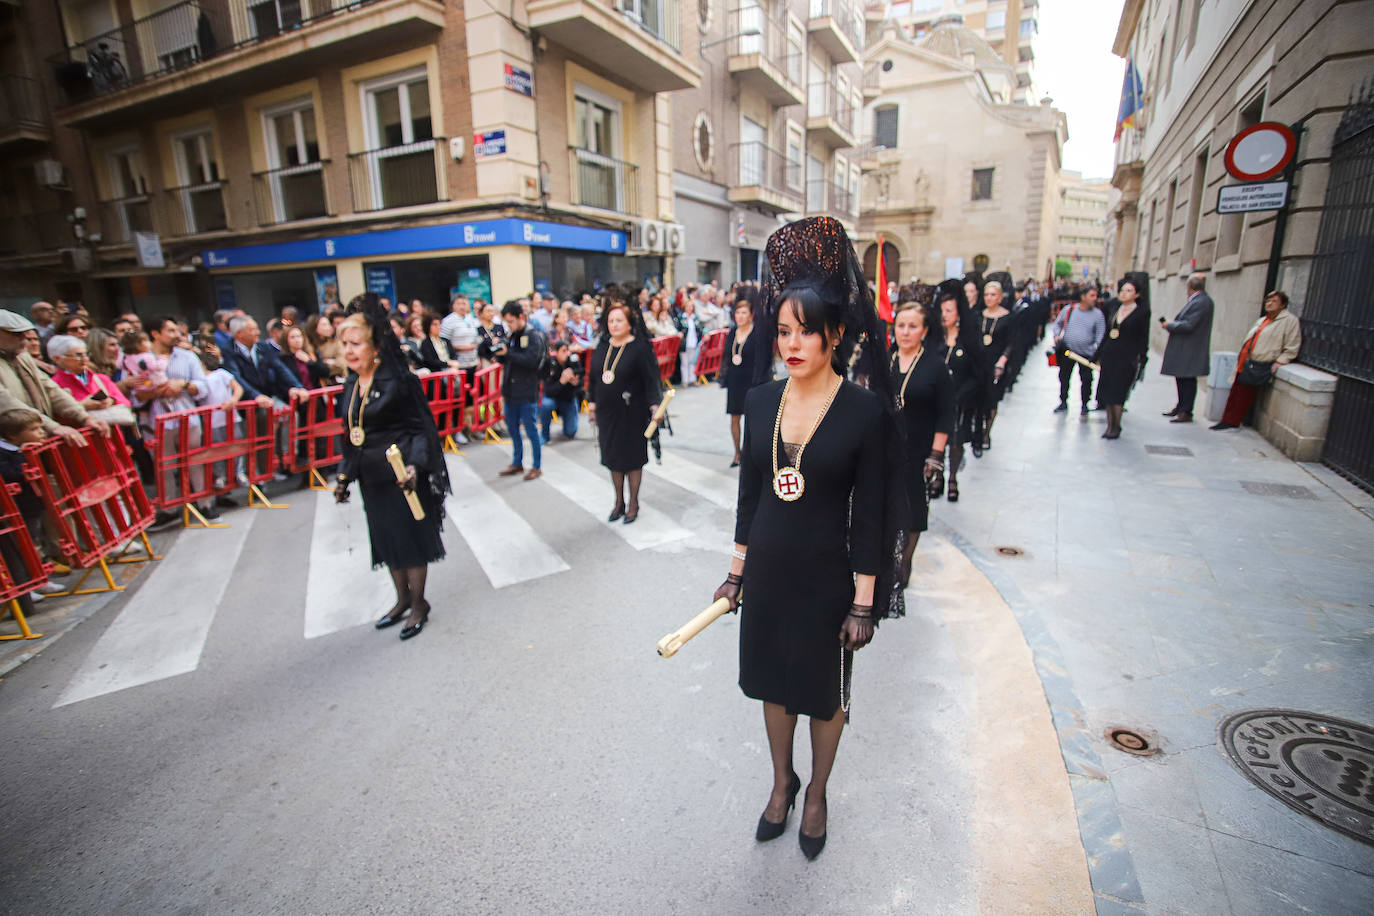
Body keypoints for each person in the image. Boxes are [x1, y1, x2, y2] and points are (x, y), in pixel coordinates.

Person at [711, 216, 906, 861]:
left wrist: (863, 601)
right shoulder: (764, 401)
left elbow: (874, 513)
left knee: (823, 694)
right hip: (768, 571)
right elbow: (749, 498)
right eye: (784, 331)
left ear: (836, 335)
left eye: (805, 333)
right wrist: (737, 573)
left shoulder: (863, 411)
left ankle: (817, 792)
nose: (791, 344)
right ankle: (781, 782)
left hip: (829, 579)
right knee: (773, 685)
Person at [333, 295, 450, 641]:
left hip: (403, 476)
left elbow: (420, 430)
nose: (350, 351)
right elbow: (352, 435)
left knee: (410, 541)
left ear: (375, 347)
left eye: (356, 344)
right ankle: (400, 600)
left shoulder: (400, 380)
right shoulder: (353, 383)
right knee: (385, 540)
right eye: (345, 345)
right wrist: (344, 476)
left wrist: (414, 466)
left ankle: (418, 604)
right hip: (372, 479)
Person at [890, 301, 953, 584]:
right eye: (900, 325)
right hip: (885, 448)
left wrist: (936, 454)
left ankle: (905, 560)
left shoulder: (936, 367)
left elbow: (945, 414)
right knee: (884, 505)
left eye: (912, 326)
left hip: (918, 450)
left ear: (924, 330)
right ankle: (885, 558)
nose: (905, 332)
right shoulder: (886, 361)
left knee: (913, 508)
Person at [587, 299, 660, 523]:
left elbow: (651, 379)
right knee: (613, 459)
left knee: (632, 459)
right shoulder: (602, 345)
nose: (614, 324)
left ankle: (634, 502)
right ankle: (618, 501)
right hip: (607, 414)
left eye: (619, 320)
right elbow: (593, 377)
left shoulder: (639, 347)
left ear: (629, 323)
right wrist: (591, 404)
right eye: (610, 320)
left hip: (633, 413)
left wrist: (655, 406)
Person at [0, 311, 108, 445]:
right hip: (11, 445)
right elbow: (7, 403)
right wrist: (53, 426)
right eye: (16, 334)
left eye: (25, 333)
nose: (24, 338)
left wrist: (85, 417)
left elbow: (50, 388)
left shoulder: (22, 356)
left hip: (38, 437)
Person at [1211, 290, 1301, 431]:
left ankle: (1232, 421)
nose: (1269, 303)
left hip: (1260, 363)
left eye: (1274, 301)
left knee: (1244, 394)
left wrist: (1280, 361)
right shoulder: (1263, 319)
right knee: (1235, 392)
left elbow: (1292, 346)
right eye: (1268, 301)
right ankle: (1227, 419)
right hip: (1245, 361)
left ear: (1283, 305)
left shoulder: (1289, 321)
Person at [493, 301, 546, 481]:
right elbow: (508, 359)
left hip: (526, 391)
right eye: (507, 322)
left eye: (511, 321)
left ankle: (536, 466)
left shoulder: (533, 336)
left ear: (521, 317)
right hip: (510, 391)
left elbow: (531, 361)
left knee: (531, 430)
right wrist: (498, 354)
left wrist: (508, 354)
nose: (509, 325)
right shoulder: (512, 335)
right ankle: (517, 462)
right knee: (513, 430)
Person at [1095, 273, 1151, 439]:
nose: (1124, 293)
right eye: (1122, 290)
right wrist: (1098, 354)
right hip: (1110, 355)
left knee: (1118, 392)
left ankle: (1116, 426)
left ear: (1137, 294)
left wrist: (1142, 357)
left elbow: (1143, 337)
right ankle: (1109, 425)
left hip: (1126, 357)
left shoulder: (1142, 312)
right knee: (1107, 392)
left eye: (1129, 290)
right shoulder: (1114, 308)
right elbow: (1106, 333)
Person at [1160, 273, 1215, 424]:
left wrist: (1169, 325)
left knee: (1188, 380)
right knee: (1182, 378)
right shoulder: (1199, 300)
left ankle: (1186, 410)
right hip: (1187, 348)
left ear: (1189, 286)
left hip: (1190, 348)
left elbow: (1189, 325)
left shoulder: (1201, 301)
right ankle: (1181, 406)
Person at [1051, 287, 1107, 416]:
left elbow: (1100, 335)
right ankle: (1063, 401)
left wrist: (1098, 352)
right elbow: (1058, 324)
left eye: (1095, 296)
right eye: (1092, 295)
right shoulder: (1069, 310)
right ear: (1083, 296)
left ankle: (1084, 404)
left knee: (1087, 379)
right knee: (1064, 377)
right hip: (1067, 351)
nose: (1095, 299)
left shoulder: (1098, 315)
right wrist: (1056, 335)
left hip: (1086, 355)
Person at [722, 289, 762, 467]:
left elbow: (760, 359)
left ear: (750, 315)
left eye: (743, 312)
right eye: (737, 312)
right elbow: (726, 356)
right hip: (735, 380)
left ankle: (750, 452)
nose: (740, 316)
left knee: (752, 418)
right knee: (734, 417)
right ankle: (737, 453)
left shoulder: (756, 333)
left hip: (751, 380)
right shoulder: (732, 333)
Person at [974, 279, 1012, 451]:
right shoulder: (979, 316)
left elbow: (1011, 343)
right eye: (987, 295)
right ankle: (976, 430)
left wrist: (1002, 362)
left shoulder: (1007, 317)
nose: (989, 298)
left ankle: (986, 432)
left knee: (992, 400)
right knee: (978, 398)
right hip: (979, 363)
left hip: (996, 362)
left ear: (1000, 297)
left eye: (993, 295)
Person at [540, 341, 584, 443]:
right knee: (546, 405)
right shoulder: (550, 363)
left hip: (568, 398)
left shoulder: (573, 361)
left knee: (570, 432)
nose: (567, 353)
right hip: (552, 397)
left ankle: (572, 415)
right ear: (556, 352)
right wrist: (561, 382)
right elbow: (548, 390)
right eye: (563, 351)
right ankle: (544, 434)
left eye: (568, 350)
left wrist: (576, 382)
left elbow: (581, 378)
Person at [281, 325, 331, 390]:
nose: (297, 340)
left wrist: (309, 361)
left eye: (299, 336)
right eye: (292, 337)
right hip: (299, 396)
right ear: (286, 340)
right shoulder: (284, 359)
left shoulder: (312, 354)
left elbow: (326, 372)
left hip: (316, 395)